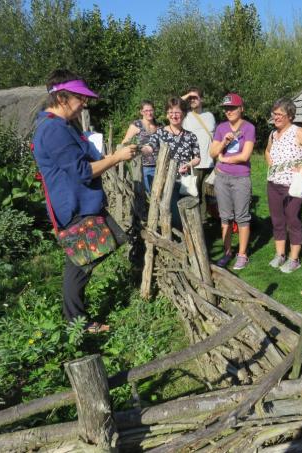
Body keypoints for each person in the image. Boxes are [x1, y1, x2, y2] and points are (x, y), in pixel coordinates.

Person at [31, 69, 137, 333]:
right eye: (80, 97)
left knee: (102, 248)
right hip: (74, 205)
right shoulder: (54, 129)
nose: (84, 103)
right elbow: (81, 172)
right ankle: (76, 322)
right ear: (63, 97)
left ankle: (74, 317)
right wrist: (116, 158)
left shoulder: (63, 126)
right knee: (79, 265)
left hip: (81, 202)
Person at [265, 98, 302, 273]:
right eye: (275, 114)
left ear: (290, 116)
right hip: (273, 184)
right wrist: (270, 162)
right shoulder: (273, 134)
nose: (276, 117)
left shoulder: (297, 132)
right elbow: (267, 151)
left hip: (293, 185)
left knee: (293, 220)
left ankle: (294, 259)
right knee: (277, 220)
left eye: (280, 114)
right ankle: (280, 254)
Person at [209, 93, 256, 270]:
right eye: (226, 108)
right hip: (222, 178)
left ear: (241, 108)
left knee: (242, 217)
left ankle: (242, 255)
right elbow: (212, 153)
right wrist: (223, 144)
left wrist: (225, 159)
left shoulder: (249, 128)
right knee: (225, 217)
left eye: (232, 108)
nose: (229, 111)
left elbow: (245, 156)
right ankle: (227, 252)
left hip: (241, 178)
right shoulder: (221, 128)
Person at [151, 97, 201, 226]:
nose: (174, 115)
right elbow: (149, 146)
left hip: (185, 182)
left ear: (183, 114)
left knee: (189, 214)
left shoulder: (191, 136)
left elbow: (197, 158)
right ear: (167, 114)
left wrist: (188, 164)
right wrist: (140, 149)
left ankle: (191, 241)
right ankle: (176, 242)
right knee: (173, 215)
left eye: (177, 112)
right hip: (166, 181)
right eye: (171, 112)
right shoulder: (160, 133)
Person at [181, 87, 216, 217]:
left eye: (195, 97)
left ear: (202, 99)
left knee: (208, 196)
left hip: (211, 163)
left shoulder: (210, 116)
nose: (192, 100)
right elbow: (174, 104)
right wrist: (189, 94)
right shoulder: (185, 116)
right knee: (194, 196)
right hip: (194, 163)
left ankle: (204, 222)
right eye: (190, 98)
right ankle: (195, 223)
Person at [121, 100, 159, 194]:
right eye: (146, 111)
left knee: (159, 194)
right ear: (141, 112)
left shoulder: (159, 125)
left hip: (159, 165)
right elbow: (125, 143)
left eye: (151, 110)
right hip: (144, 166)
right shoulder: (137, 125)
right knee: (149, 194)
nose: (149, 113)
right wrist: (138, 149)